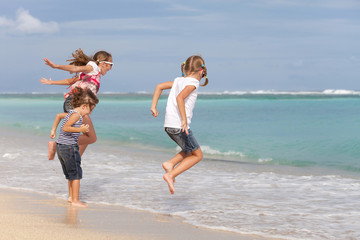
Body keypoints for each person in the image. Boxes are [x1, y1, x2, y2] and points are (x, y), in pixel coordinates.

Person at [150, 55, 209, 194]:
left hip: (169, 125)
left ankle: (169, 164)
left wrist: (153, 106)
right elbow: (180, 97)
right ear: (201, 71)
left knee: (190, 150)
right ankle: (171, 174)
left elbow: (159, 86)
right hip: (179, 125)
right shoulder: (193, 83)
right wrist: (184, 120)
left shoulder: (178, 81)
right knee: (198, 155)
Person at [40, 48, 113, 160]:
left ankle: (75, 160)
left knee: (86, 134)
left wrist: (52, 82)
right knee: (92, 138)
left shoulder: (90, 73)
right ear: (103, 63)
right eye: (110, 65)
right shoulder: (93, 67)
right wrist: (56, 66)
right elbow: (75, 68)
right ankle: (56, 145)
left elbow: (71, 81)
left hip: (72, 103)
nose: (110, 68)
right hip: (76, 104)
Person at [51, 87, 99, 207]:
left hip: (62, 147)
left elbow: (60, 119)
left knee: (70, 174)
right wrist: (80, 129)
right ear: (83, 106)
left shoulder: (71, 113)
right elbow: (65, 128)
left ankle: (71, 197)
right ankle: (75, 200)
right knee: (76, 175)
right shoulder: (76, 115)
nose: (90, 113)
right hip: (69, 148)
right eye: (90, 110)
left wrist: (53, 130)